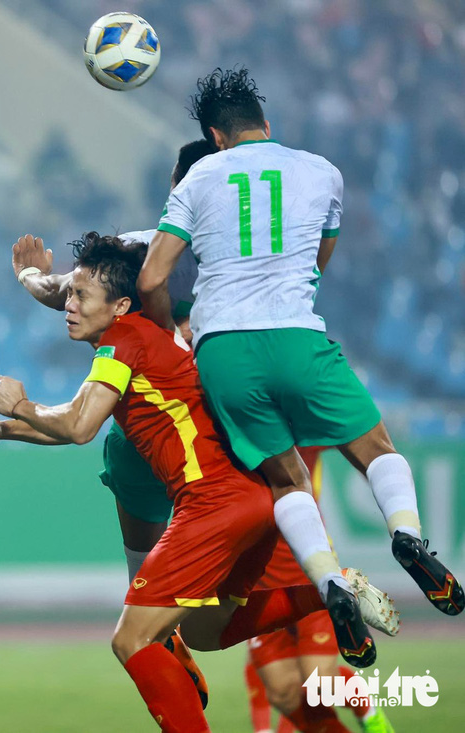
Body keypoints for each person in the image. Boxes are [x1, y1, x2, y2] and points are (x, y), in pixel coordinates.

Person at [0, 235, 391, 732]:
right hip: (252, 498)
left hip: (211, 504)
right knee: (205, 632)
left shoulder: (123, 340)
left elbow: (79, 427)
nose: (70, 305)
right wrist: (2, 429)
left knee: (132, 640)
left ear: (121, 305)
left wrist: (19, 404)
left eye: (81, 296)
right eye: (70, 294)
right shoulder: (145, 336)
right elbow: (77, 418)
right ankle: (332, 590)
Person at [139, 68, 462, 668]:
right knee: (377, 448)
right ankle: (407, 536)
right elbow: (320, 256)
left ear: (214, 135)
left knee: (287, 480)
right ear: (266, 122)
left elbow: (152, 277)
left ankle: (330, 586)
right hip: (295, 332)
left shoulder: (198, 175)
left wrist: (172, 327)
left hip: (223, 350)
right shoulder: (321, 171)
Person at [11, 138, 217, 707]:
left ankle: (164, 634)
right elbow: (76, 288)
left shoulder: (151, 250)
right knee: (213, 598)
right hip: (218, 433)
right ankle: (322, 576)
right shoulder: (247, 257)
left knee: (147, 599)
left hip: (155, 437)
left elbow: (64, 288)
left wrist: (30, 278)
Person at [244, 448, 395, 733]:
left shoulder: (295, 430)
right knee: (282, 693)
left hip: (309, 577)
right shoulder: (228, 435)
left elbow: (358, 431)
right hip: (259, 588)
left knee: (320, 685)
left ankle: (368, 712)